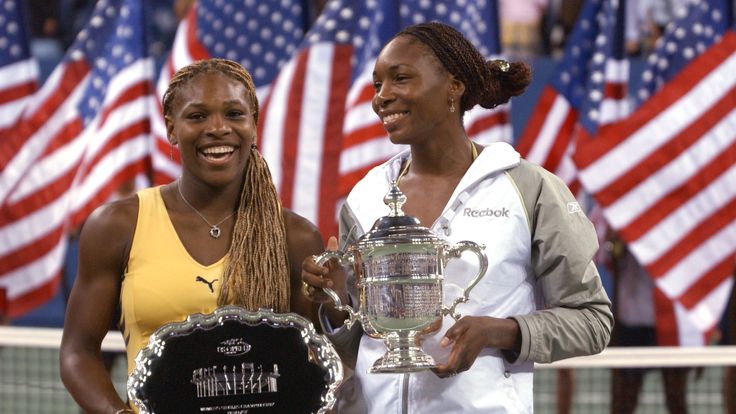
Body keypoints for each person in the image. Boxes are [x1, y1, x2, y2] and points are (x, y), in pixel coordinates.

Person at [301, 22, 613, 413]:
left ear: (454, 86)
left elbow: (592, 320)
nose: (382, 97)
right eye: (377, 84)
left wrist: (501, 331)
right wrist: (331, 301)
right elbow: (362, 340)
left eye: (400, 79)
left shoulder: (528, 188)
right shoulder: (364, 197)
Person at [60, 58, 324, 414]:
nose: (217, 128)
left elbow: (311, 363)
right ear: (171, 129)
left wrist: (333, 304)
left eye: (234, 114)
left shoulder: (296, 236)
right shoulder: (117, 225)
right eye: (197, 116)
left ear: (254, 126)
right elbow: (78, 352)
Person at [607, 234, 689, 414]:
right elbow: (607, 258)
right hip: (631, 320)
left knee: (676, 399)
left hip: (671, 322)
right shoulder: (620, 220)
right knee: (624, 401)